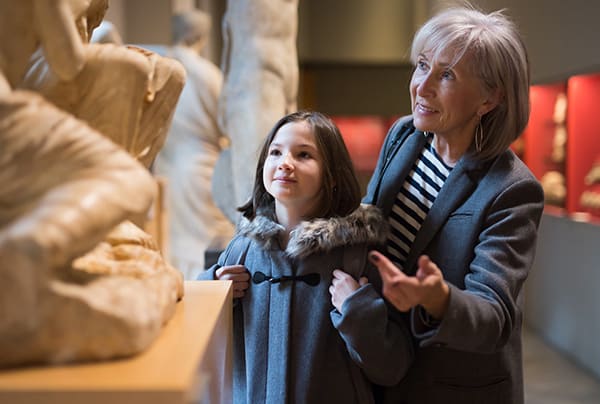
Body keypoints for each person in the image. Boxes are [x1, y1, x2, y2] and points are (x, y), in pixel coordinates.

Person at [347, 6, 544, 404]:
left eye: (447, 75)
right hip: (383, 360)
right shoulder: (404, 135)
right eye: (422, 66)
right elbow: (367, 223)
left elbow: (494, 318)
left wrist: (436, 298)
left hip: (449, 388)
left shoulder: (513, 189)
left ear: (490, 98)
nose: (422, 86)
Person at [199, 111, 412, 403]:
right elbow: (200, 342)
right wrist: (212, 287)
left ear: (333, 176)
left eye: (303, 155)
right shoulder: (241, 251)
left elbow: (392, 368)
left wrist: (358, 310)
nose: (285, 163)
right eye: (275, 152)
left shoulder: (359, 255)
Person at [153, 9, 234, 279]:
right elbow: (227, 120)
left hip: (167, 162)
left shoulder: (159, 69)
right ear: (200, 36)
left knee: (175, 237)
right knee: (201, 240)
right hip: (200, 163)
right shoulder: (208, 74)